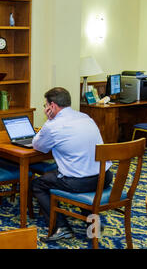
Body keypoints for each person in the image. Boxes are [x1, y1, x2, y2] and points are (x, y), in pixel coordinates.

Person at [31, 87, 113, 242]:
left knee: (38, 184)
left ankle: (60, 227)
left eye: (45, 105)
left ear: (52, 106)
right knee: (64, 171)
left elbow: (38, 146)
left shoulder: (53, 125)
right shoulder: (85, 117)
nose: (45, 108)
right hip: (104, 176)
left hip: (80, 182)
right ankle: (92, 221)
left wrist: (49, 120)